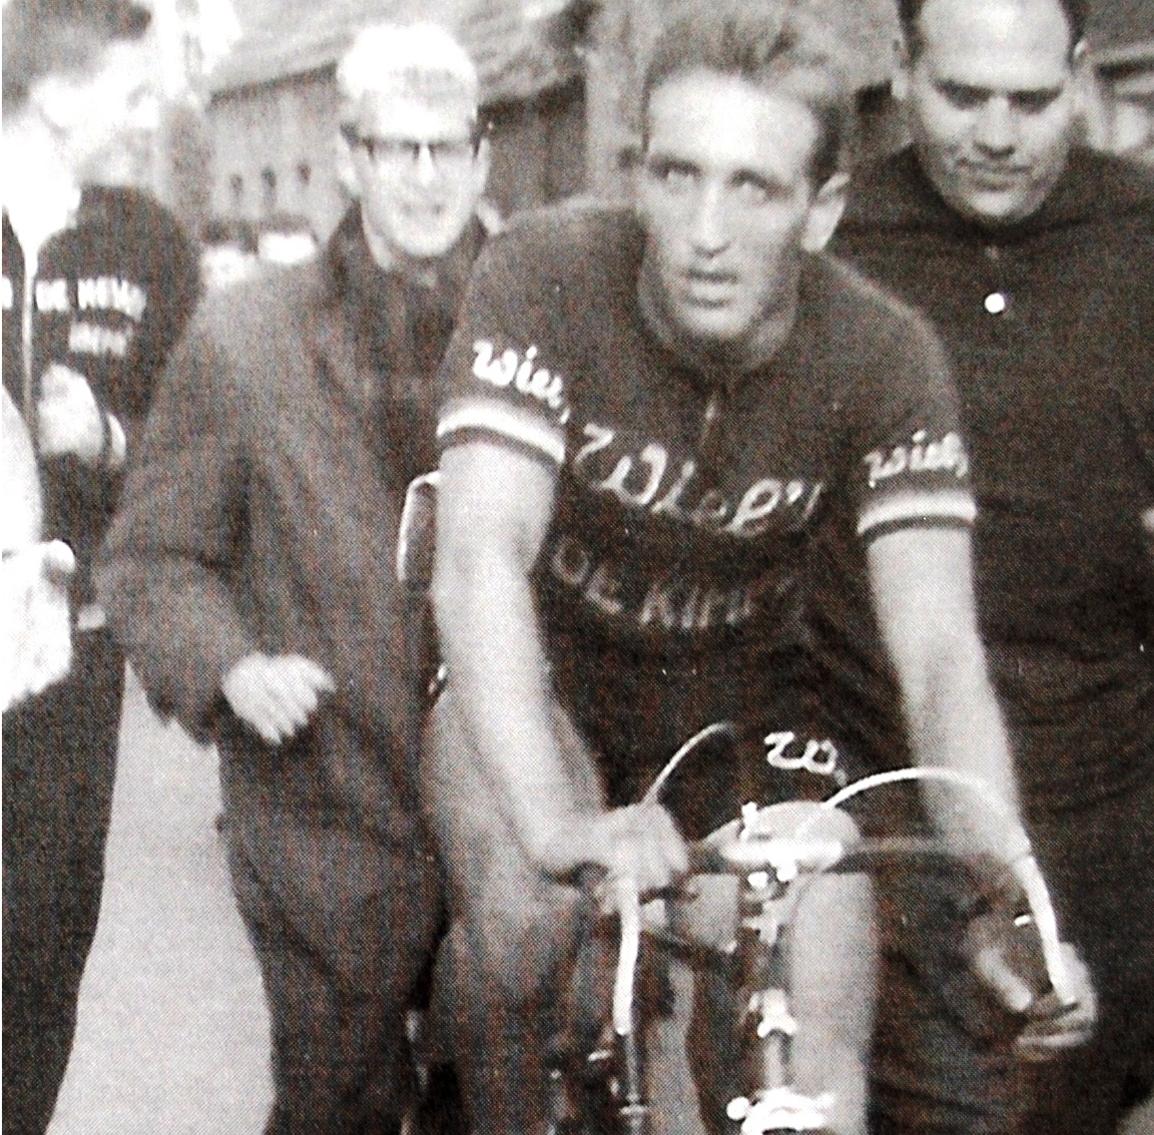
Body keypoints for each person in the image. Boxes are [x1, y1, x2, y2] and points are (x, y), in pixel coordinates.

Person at [424, 5, 1089, 1133]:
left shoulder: (882, 353)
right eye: (675, 176)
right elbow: (482, 556)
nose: (704, 232)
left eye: (754, 189)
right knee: (527, 919)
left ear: (821, 209)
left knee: (814, 989)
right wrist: (556, 826)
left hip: (734, 705)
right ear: (636, 173)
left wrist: (1005, 891)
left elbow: (937, 652)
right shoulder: (544, 271)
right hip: (537, 677)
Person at [97, 21, 493, 1134]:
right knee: (337, 1103)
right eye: (397, 148)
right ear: (349, 159)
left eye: (448, 148)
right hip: (327, 803)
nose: (425, 178)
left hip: (508, 804)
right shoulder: (246, 340)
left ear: (483, 157)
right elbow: (152, 554)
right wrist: (230, 666)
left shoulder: (545, 329)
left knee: (503, 1103)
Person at [828, 0, 1154, 1131]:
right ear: (902, 70)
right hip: (887, 773)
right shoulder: (831, 237)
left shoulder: (1142, 231)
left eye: (1032, 98)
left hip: (1109, 775)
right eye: (963, 96)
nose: (999, 134)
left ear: (1079, 74)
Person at [2, 1, 200, 1129]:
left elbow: (193, 452)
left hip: (71, 658)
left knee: (43, 940)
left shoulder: (150, 247)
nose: (147, 116)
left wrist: (108, 439)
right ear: (57, 88)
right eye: (131, 91)